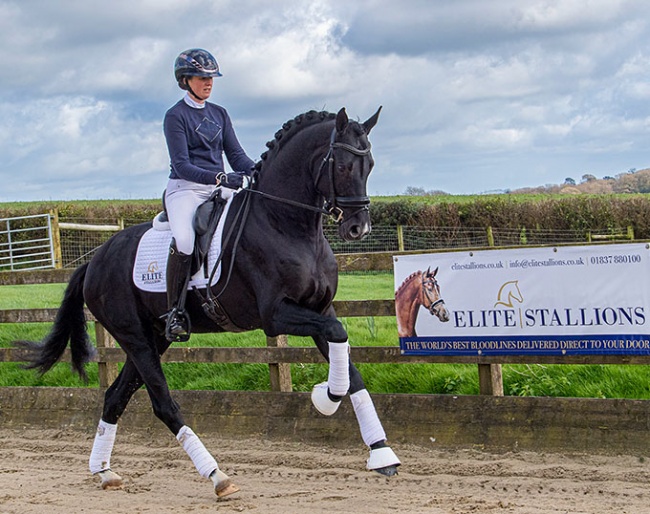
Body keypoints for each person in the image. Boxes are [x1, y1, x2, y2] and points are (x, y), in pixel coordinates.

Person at [162, 48, 256, 342]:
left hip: (218, 188)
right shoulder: (175, 116)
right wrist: (218, 176)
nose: (208, 82)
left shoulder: (220, 114)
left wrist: (259, 170)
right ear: (185, 79)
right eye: (202, 77)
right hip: (185, 189)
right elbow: (182, 165)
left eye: (211, 77)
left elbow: (237, 155)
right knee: (186, 241)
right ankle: (175, 312)